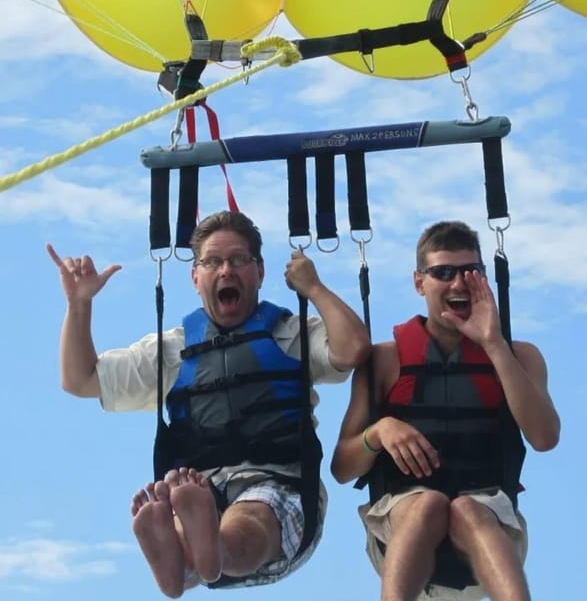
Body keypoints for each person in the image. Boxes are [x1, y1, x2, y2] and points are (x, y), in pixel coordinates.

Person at [47, 210, 370, 599]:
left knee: (249, 517)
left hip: (280, 484)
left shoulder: (291, 334)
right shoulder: (172, 351)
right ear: (195, 276)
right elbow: (80, 380)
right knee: (195, 514)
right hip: (201, 484)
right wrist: (78, 304)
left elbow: (353, 349)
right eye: (213, 261)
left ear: (260, 271)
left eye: (238, 260)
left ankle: (202, 552)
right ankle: (183, 556)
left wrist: (314, 287)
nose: (226, 270)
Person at [331, 220, 560, 601]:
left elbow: (544, 438)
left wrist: (493, 343)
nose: (458, 284)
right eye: (443, 273)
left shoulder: (520, 356)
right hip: (403, 524)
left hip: (488, 525)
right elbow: (342, 467)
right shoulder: (385, 360)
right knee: (428, 504)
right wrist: (379, 431)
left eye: (470, 272)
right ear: (419, 282)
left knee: (469, 510)